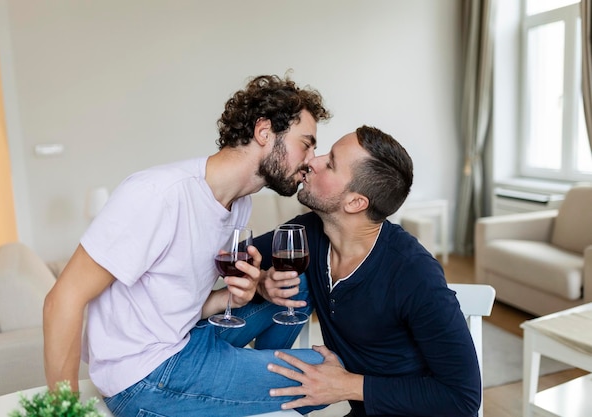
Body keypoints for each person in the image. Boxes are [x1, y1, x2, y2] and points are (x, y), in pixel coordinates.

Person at [43, 74, 333, 417]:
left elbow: (177, 305)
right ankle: (257, 389)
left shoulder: (239, 205)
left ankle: (259, 389)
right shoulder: (158, 195)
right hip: (144, 376)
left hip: (184, 341)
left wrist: (241, 295)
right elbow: (61, 300)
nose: (312, 159)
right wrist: (63, 413)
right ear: (264, 132)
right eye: (306, 143)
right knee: (324, 372)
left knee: (301, 282)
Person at [254, 126, 482, 417]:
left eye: (330, 163)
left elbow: (462, 399)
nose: (313, 160)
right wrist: (261, 280)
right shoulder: (309, 233)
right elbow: (244, 255)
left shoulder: (415, 273)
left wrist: (349, 386)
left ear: (355, 202)